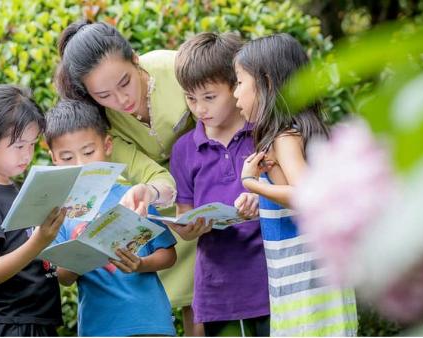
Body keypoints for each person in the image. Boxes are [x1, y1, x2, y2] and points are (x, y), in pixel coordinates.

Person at [54, 20, 199, 334]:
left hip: (206, 180)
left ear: (135, 58)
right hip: (161, 201)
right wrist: (149, 191)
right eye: (104, 94)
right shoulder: (105, 123)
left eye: (125, 83)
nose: (121, 100)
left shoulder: (174, 67)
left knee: (207, 294)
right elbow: (151, 175)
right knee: (186, 297)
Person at [233, 33, 358, 336]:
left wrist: (252, 183)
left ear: (267, 83)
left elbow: (305, 195)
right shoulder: (300, 131)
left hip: (306, 284)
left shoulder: (284, 135)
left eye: (238, 82)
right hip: (314, 276)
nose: (235, 94)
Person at [44, 99, 177, 336]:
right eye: (67, 158)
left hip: (150, 321)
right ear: (53, 157)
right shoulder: (59, 214)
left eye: (88, 152)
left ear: (107, 145)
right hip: (99, 327)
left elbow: (168, 254)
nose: (81, 164)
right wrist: (79, 252)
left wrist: (141, 264)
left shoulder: (132, 196)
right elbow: (64, 278)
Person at [169, 32, 270, 336]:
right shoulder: (185, 149)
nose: (199, 109)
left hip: (267, 278)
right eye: (190, 98)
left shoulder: (263, 133)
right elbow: (183, 215)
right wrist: (187, 227)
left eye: (209, 97)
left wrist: (261, 199)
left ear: (235, 86)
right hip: (216, 286)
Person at [0, 84, 67, 336]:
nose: (27, 155)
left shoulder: (12, 186)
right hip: (7, 326)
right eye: (19, 146)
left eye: (32, 144)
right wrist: (39, 241)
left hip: (34, 321)